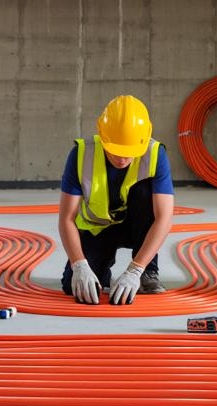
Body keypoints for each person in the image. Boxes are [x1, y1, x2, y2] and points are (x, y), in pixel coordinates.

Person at [59, 95, 175, 305]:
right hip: (99, 229)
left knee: (144, 192)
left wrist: (135, 270)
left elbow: (164, 218)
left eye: (129, 152)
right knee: (73, 287)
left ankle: (147, 272)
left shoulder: (155, 154)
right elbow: (67, 218)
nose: (122, 159)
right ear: (102, 136)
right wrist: (79, 265)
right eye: (115, 151)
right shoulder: (81, 154)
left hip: (138, 226)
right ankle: (100, 269)